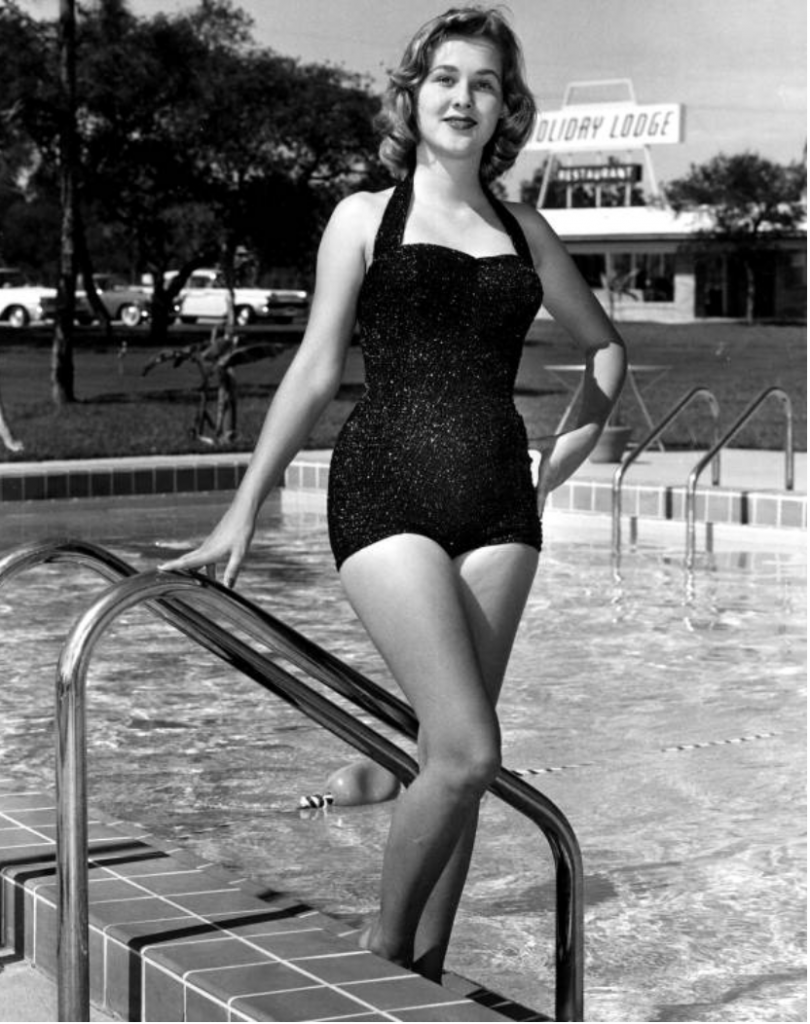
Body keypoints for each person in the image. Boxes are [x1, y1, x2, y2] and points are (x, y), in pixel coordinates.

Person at [159, 5, 626, 983]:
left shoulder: (525, 229)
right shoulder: (364, 218)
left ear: (507, 107)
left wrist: (558, 462)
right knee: (465, 750)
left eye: (486, 82)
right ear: (412, 96)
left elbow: (606, 349)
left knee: (452, 768)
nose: (464, 96)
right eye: (447, 77)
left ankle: (420, 980)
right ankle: (378, 951)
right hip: (386, 496)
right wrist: (244, 507)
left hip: (504, 512)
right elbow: (316, 369)